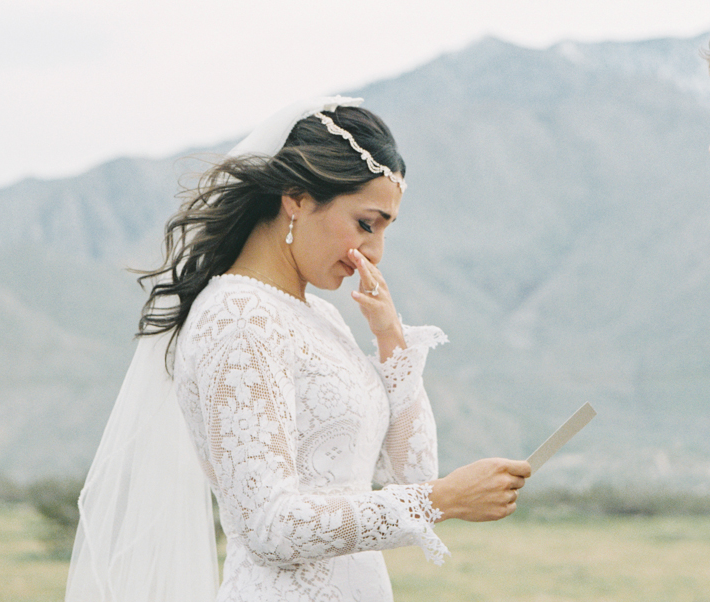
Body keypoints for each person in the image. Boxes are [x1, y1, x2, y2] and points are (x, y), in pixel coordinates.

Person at [65, 96, 531, 602]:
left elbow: (410, 474)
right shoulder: (239, 318)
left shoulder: (321, 318)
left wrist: (391, 338)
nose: (372, 253)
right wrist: (438, 501)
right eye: (365, 224)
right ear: (297, 198)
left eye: (383, 230)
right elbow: (269, 525)